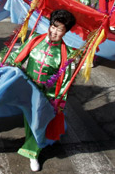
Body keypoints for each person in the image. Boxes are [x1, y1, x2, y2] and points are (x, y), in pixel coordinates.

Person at [7, 9, 76, 172]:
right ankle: (35, 146)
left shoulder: (65, 54)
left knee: (38, 124)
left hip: (46, 96)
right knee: (29, 122)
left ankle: (33, 153)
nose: (55, 31)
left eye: (60, 29)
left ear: (65, 32)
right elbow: (18, 57)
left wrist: (59, 101)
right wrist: (5, 66)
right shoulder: (35, 40)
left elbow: (65, 82)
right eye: (54, 26)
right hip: (27, 91)